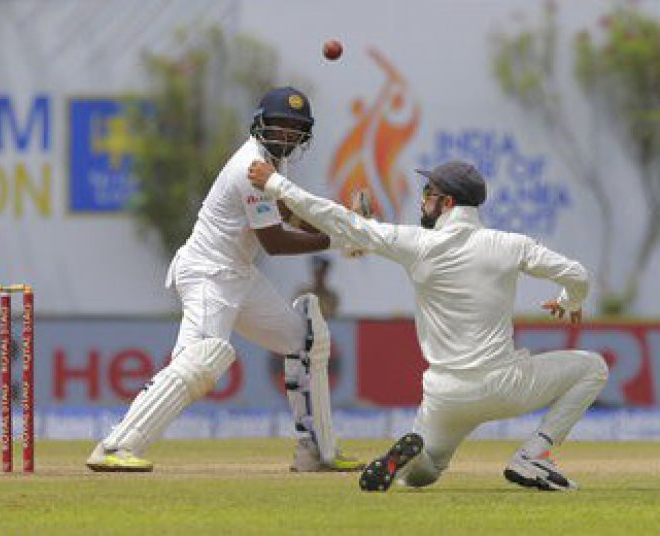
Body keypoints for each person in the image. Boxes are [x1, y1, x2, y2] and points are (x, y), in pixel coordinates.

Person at [248, 158, 608, 492]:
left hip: (446, 395)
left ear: (447, 203)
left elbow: (339, 220)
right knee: (593, 367)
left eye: (427, 194)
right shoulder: (509, 244)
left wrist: (277, 183)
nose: (422, 202)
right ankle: (534, 455)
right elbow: (576, 274)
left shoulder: (417, 243)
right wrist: (569, 302)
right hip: (504, 384)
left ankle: (411, 460)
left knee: (423, 473)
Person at [86, 86, 365, 473]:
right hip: (207, 273)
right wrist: (339, 238)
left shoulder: (273, 164)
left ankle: (316, 451)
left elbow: (288, 213)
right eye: (279, 126)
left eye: (294, 129)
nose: (286, 136)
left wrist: (344, 230)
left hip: (238, 275)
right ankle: (115, 445)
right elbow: (275, 242)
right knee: (203, 359)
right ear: (260, 124)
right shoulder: (250, 167)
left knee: (304, 340)